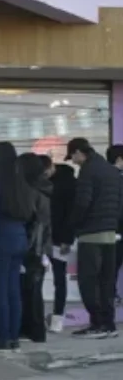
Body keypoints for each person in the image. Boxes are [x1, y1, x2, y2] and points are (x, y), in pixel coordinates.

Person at [0, 142, 35, 351]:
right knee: (13, 289)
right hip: (19, 236)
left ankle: (1, 337)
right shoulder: (21, 182)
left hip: (1, 236)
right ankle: (13, 336)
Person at [66, 137, 123, 338]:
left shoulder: (88, 171)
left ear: (79, 152)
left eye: (73, 157)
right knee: (107, 282)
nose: (73, 161)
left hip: (91, 233)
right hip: (110, 234)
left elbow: (83, 203)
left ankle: (97, 323)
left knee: (88, 281)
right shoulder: (110, 171)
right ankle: (108, 324)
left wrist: (73, 225)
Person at [18, 153, 52, 343]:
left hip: (33, 248)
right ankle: (34, 329)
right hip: (40, 247)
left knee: (30, 289)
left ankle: (32, 329)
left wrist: (34, 250)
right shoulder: (44, 190)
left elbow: (38, 225)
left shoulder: (31, 193)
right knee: (33, 289)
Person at [44, 158, 76, 333]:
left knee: (58, 279)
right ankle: (54, 317)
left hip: (56, 238)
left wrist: (66, 239)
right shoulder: (50, 182)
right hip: (52, 237)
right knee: (57, 279)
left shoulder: (68, 184)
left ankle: (57, 317)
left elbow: (70, 213)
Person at [106, 144, 123, 301]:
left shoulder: (104, 176)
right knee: (113, 264)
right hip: (117, 228)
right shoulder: (117, 177)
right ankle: (110, 295)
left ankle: (110, 294)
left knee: (112, 264)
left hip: (111, 227)